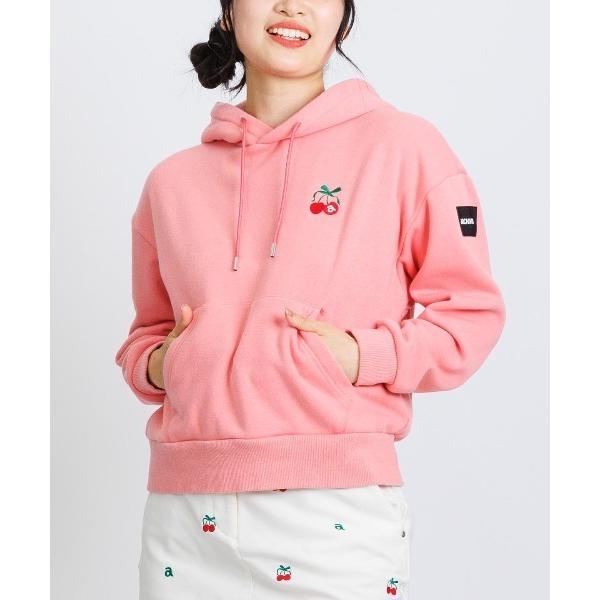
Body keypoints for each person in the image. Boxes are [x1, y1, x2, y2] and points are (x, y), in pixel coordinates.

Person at [114, 1, 506, 598]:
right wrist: (165, 364)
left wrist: (361, 356)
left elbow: (470, 313)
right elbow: (147, 334)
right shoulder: (171, 182)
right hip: (184, 516)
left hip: (334, 512)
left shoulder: (403, 147)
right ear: (228, 13)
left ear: (343, 18)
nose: (293, 5)